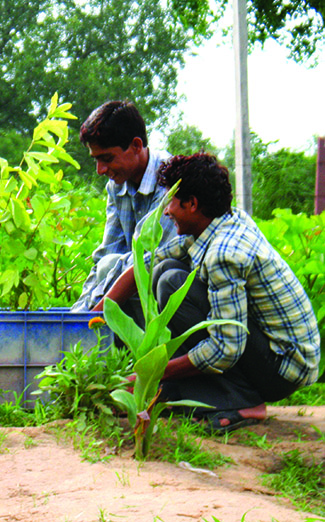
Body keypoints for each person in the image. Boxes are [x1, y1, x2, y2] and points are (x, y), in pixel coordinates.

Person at [93, 153, 321, 433]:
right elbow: (146, 262)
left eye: (172, 202)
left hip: (282, 367)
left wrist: (151, 372)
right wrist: (97, 315)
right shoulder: (216, 222)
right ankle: (217, 392)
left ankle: (243, 399)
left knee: (174, 283)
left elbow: (225, 348)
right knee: (166, 271)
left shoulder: (224, 254)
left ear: (192, 204)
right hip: (263, 348)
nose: (166, 211)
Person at [71, 100, 176, 312]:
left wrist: (95, 312)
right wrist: (75, 315)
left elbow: (146, 257)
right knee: (107, 265)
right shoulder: (116, 186)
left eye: (107, 158)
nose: (100, 169)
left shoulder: (169, 177)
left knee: (125, 270)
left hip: (175, 284)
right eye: (96, 160)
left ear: (136, 146)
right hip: (134, 279)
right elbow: (109, 252)